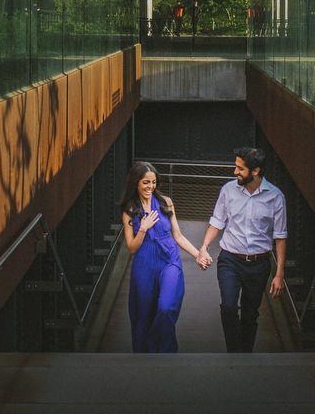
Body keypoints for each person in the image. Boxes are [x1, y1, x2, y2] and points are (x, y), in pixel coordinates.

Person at [196, 147, 287, 353]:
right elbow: (217, 221)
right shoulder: (228, 190)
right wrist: (204, 247)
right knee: (228, 307)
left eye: (240, 168)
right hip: (230, 259)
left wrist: (279, 273)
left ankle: (245, 354)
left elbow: (280, 236)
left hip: (259, 264)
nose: (235, 172)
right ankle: (233, 353)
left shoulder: (275, 197)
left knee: (250, 314)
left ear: (255, 171)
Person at [119, 161, 205, 353]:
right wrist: (142, 228)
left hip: (169, 259)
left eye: (153, 182)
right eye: (145, 183)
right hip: (144, 262)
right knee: (143, 313)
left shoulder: (166, 202)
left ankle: (165, 350)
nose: (150, 187)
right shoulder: (129, 210)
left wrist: (198, 254)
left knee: (166, 307)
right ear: (136, 183)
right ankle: (146, 354)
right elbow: (131, 248)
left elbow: (178, 235)